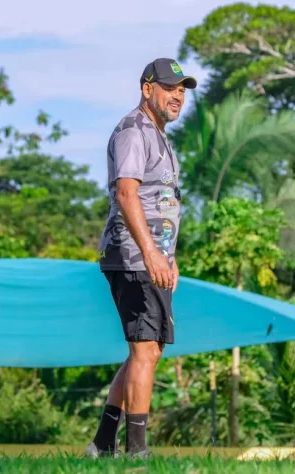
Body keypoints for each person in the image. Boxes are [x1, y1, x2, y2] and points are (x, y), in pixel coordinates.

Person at [85, 58, 197, 458]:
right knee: (145, 350)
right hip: (133, 256)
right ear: (147, 88)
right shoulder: (134, 130)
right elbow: (127, 194)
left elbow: (163, 204)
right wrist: (151, 252)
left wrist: (170, 256)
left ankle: (102, 444)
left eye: (182, 89)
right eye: (170, 87)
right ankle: (135, 451)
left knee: (145, 351)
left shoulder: (160, 136)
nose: (178, 95)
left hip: (152, 258)